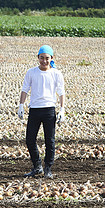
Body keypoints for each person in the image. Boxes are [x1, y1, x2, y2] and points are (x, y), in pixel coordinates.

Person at [18, 45, 65, 179]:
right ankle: (37, 165)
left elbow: (61, 92)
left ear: (52, 58)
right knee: (30, 139)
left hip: (49, 110)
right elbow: (25, 89)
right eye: (42, 58)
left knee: (50, 140)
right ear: (38, 57)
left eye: (47, 58)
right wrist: (21, 105)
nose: (44, 61)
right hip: (34, 109)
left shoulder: (56, 74)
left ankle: (48, 168)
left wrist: (62, 109)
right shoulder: (31, 72)